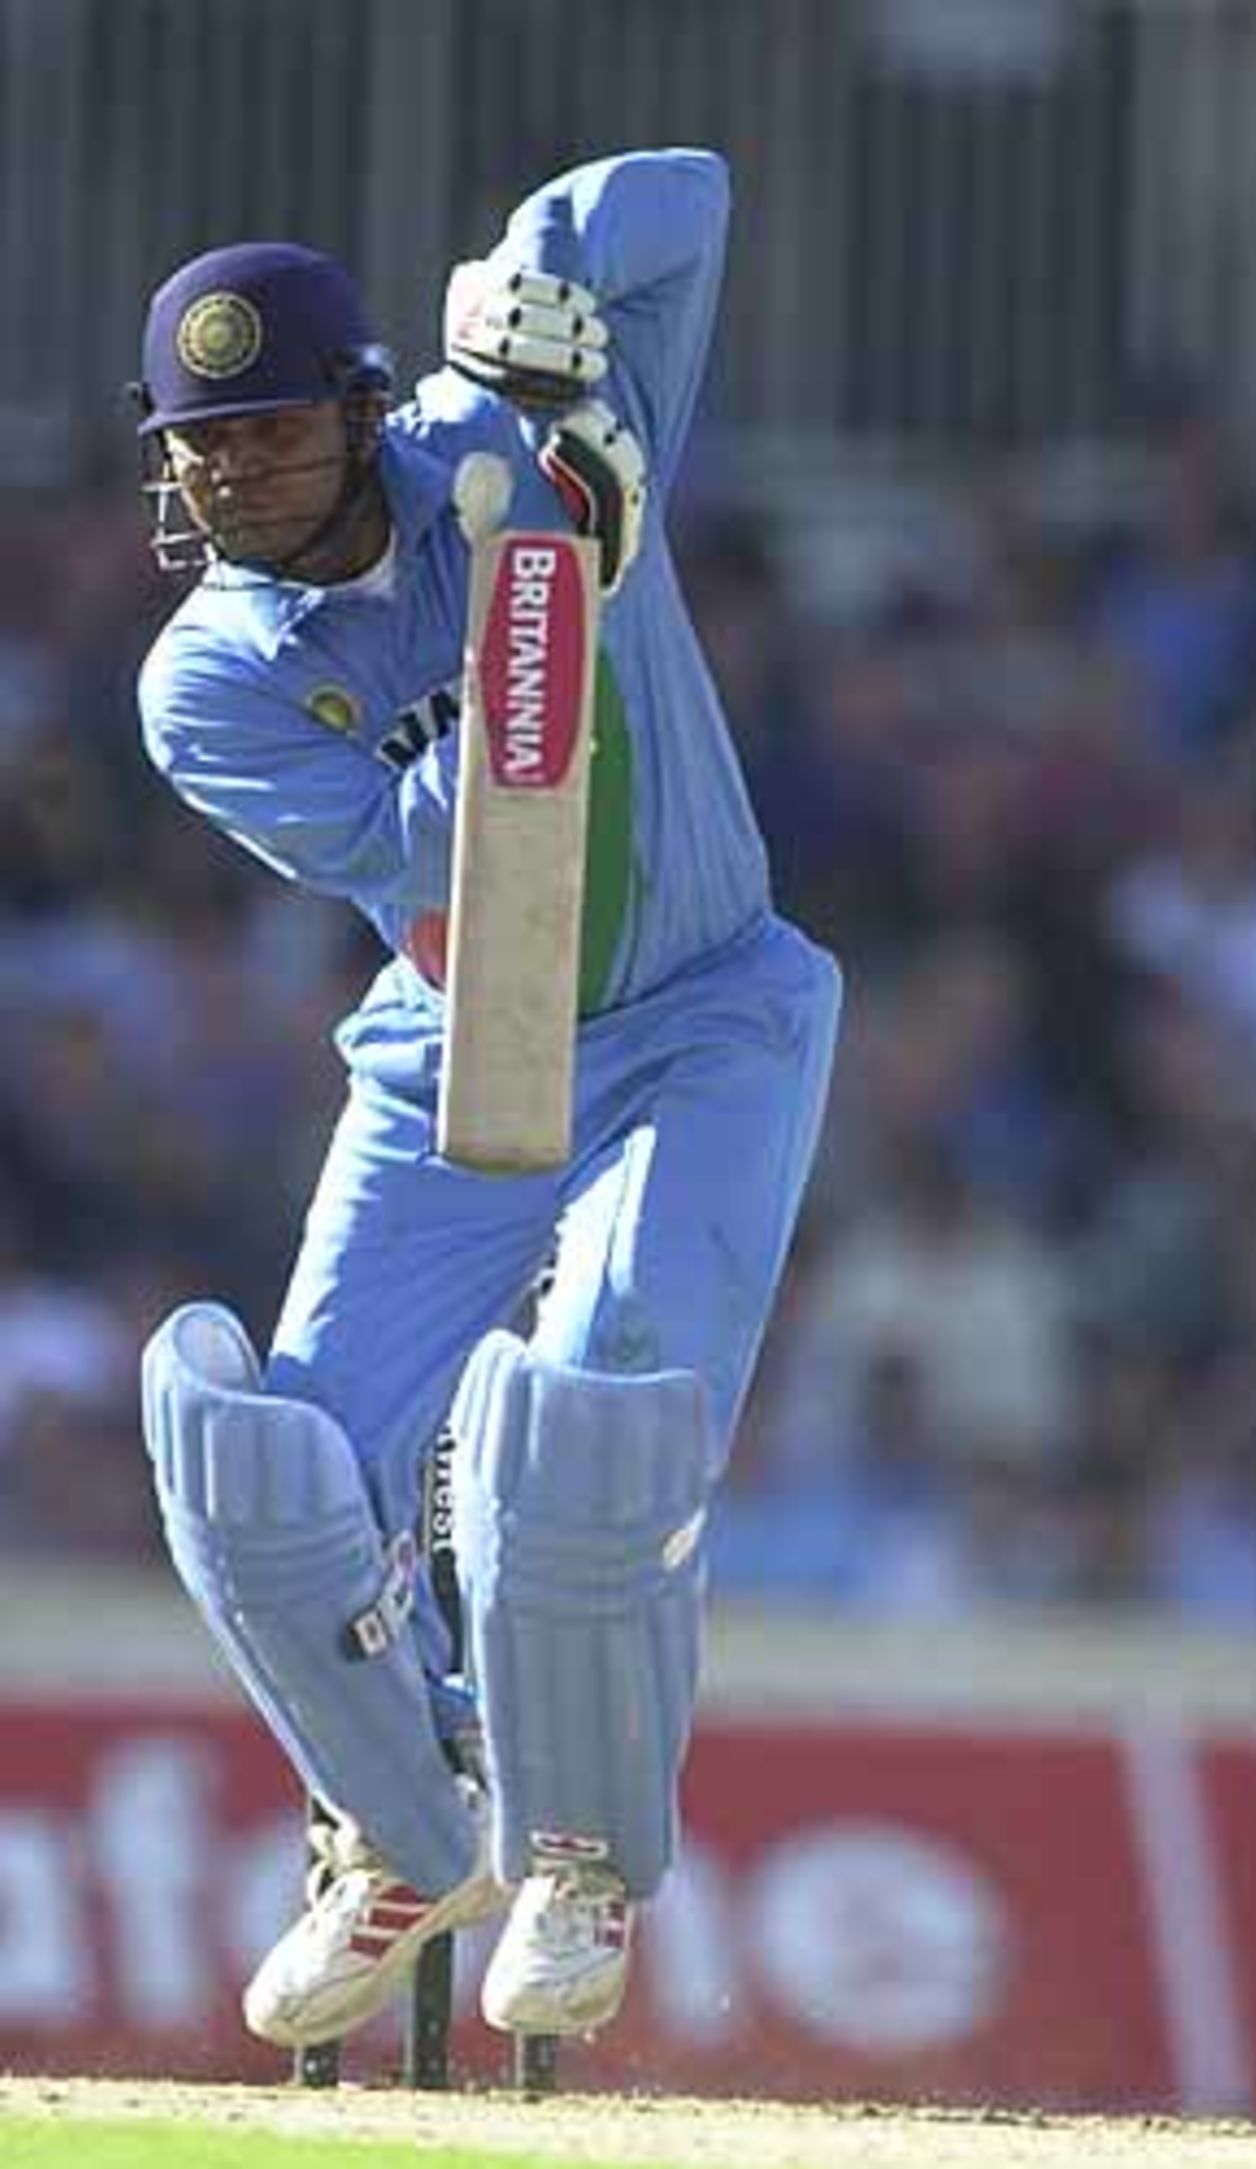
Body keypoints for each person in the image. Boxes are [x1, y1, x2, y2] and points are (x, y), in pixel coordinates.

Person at [131, 148, 841, 2054]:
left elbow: (694, 196)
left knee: (589, 1416)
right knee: (263, 1462)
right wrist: (559, 596)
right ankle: (396, 1825)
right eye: (203, 448)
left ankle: (579, 1853)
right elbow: (454, 868)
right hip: (457, 1040)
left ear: (367, 408)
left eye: (273, 432)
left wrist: (534, 279)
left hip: (704, 1017)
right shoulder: (208, 684)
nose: (235, 476)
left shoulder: (516, 430)